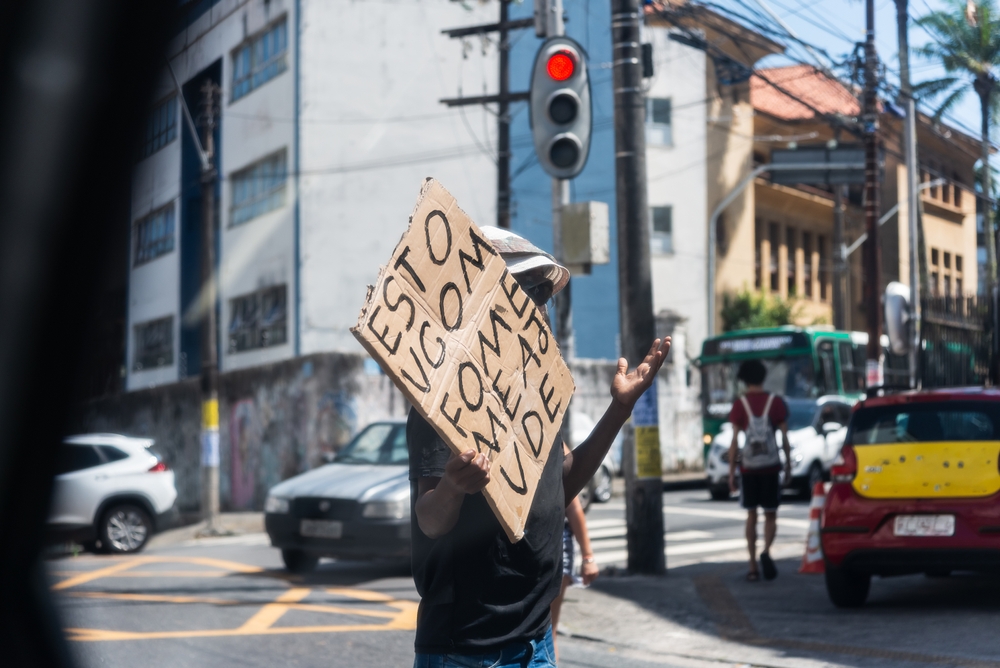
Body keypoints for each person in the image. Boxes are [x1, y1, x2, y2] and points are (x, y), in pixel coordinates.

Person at [408, 226, 670, 668]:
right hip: (468, 650)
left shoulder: (540, 392)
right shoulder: (446, 399)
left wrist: (619, 410)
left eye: (543, 293)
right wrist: (453, 487)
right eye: (525, 291)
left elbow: (558, 486)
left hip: (535, 639)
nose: (539, 306)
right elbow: (430, 520)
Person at [727, 359, 790, 582]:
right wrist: (788, 465)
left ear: (744, 380)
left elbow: (734, 441)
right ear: (763, 377)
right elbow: (783, 437)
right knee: (771, 514)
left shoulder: (739, 404)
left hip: (749, 469)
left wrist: (732, 473)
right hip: (771, 467)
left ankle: (753, 566)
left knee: (751, 515)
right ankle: (766, 551)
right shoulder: (776, 403)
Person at [549, 448, 599, 664]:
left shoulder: (553, 441)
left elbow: (574, 508)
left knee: (547, 631)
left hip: (556, 546)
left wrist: (588, 557)